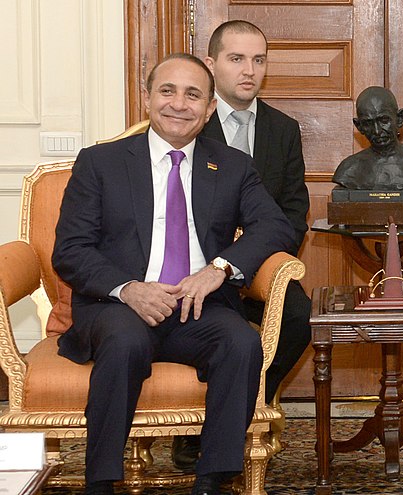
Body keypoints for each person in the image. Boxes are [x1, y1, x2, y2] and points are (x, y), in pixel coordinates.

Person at [52, 53, 296, 495]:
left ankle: (212, 479)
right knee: (125, 342)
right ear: (147, 98)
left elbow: (275, 225)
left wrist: (219, 268)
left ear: (208, 109)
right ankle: (101, 481)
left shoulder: (233, 166)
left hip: (197, 306)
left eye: (193, 95)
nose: (179, 104)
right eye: (167, 91)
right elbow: (70, 250)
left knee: (241, 341)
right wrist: (128, 289)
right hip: (119, 307)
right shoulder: (100, 162)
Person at [169, 20, 314, 472]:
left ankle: (245, 406)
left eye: (258, 60)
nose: (249, 70)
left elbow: (294, 214)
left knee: (298, 318)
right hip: (192, 267)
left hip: (257, 266)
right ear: (211, 64)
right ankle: (191, 426)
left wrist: (245, 254)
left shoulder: (283, 129)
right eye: (236, 59)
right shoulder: (185, 122)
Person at [332, 86, 403, 190]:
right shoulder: (349, 170)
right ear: (359, 126)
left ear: (399, 118)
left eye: (383, 121)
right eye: (368, 123)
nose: (377, 131)